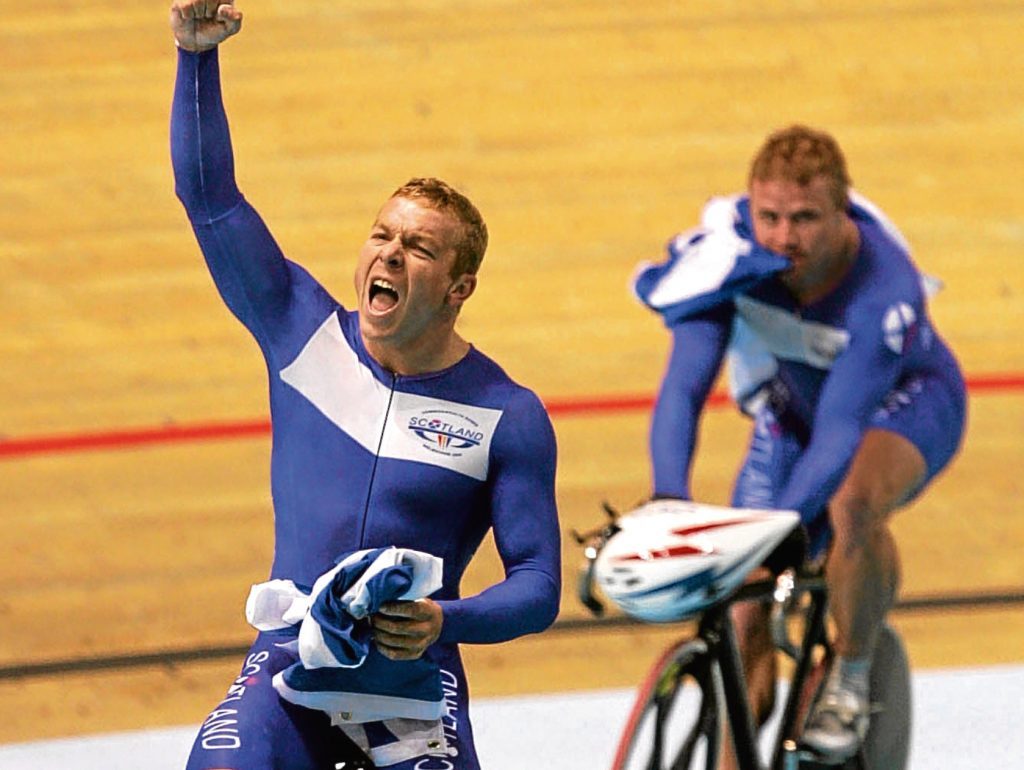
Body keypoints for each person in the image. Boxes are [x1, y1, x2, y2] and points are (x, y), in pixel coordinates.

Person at [168, 3, 561, 768]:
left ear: (458, 287)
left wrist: (443, 622)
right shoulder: (299, 330)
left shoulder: (505, 416)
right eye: (382, 235)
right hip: (290, 654)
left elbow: (540, 583)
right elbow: (211, 201)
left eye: (417, 248)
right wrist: (195, 59)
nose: (389, 256)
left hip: (411, 680)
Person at [632, 124, 965, 764]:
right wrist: (668, 494)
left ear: (844, 215)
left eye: (807, 218)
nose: (785, 237)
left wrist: (784, 525)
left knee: (850, 507)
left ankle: (851, 673)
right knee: (744, 605)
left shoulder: (882, 291)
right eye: (771, 216)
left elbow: (842, 430)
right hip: (797, 411)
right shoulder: (729, 256)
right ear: (749, 208)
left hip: (906, 404)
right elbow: (684, 386)